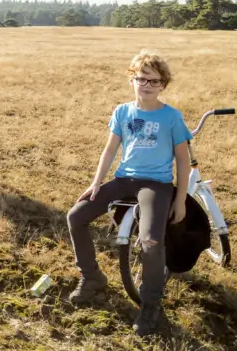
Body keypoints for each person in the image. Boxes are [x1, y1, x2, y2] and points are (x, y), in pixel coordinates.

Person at [66, 50, 192, 337]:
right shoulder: (122, 112)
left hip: (155, 184)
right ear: (132, 80)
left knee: (150, 240)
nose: (146, 85)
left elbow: (183, 160)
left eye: (153, 81)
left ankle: (150, 304)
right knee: (76, 216)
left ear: (163, 85)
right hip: (124, 179)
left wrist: (181, 199)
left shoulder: (172, 117)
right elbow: (110, 149)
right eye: (141, 79)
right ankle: (92, 277)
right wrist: (96, 182)